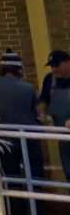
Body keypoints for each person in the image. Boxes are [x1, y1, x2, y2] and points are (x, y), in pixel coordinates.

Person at [0, 48, 47, 215]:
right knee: (34, 177)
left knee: (11, 179)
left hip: (4, 139)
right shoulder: (27, 88)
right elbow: (37, 111)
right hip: (27, 137)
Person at [37, 49, 70, 181]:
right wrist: (41, 113)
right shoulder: (50, 80)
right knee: (68, 171)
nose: (54, 69)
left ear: (68, 62)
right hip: (61, 132)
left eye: (57, 65)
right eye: (52, 66)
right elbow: (43, 100)